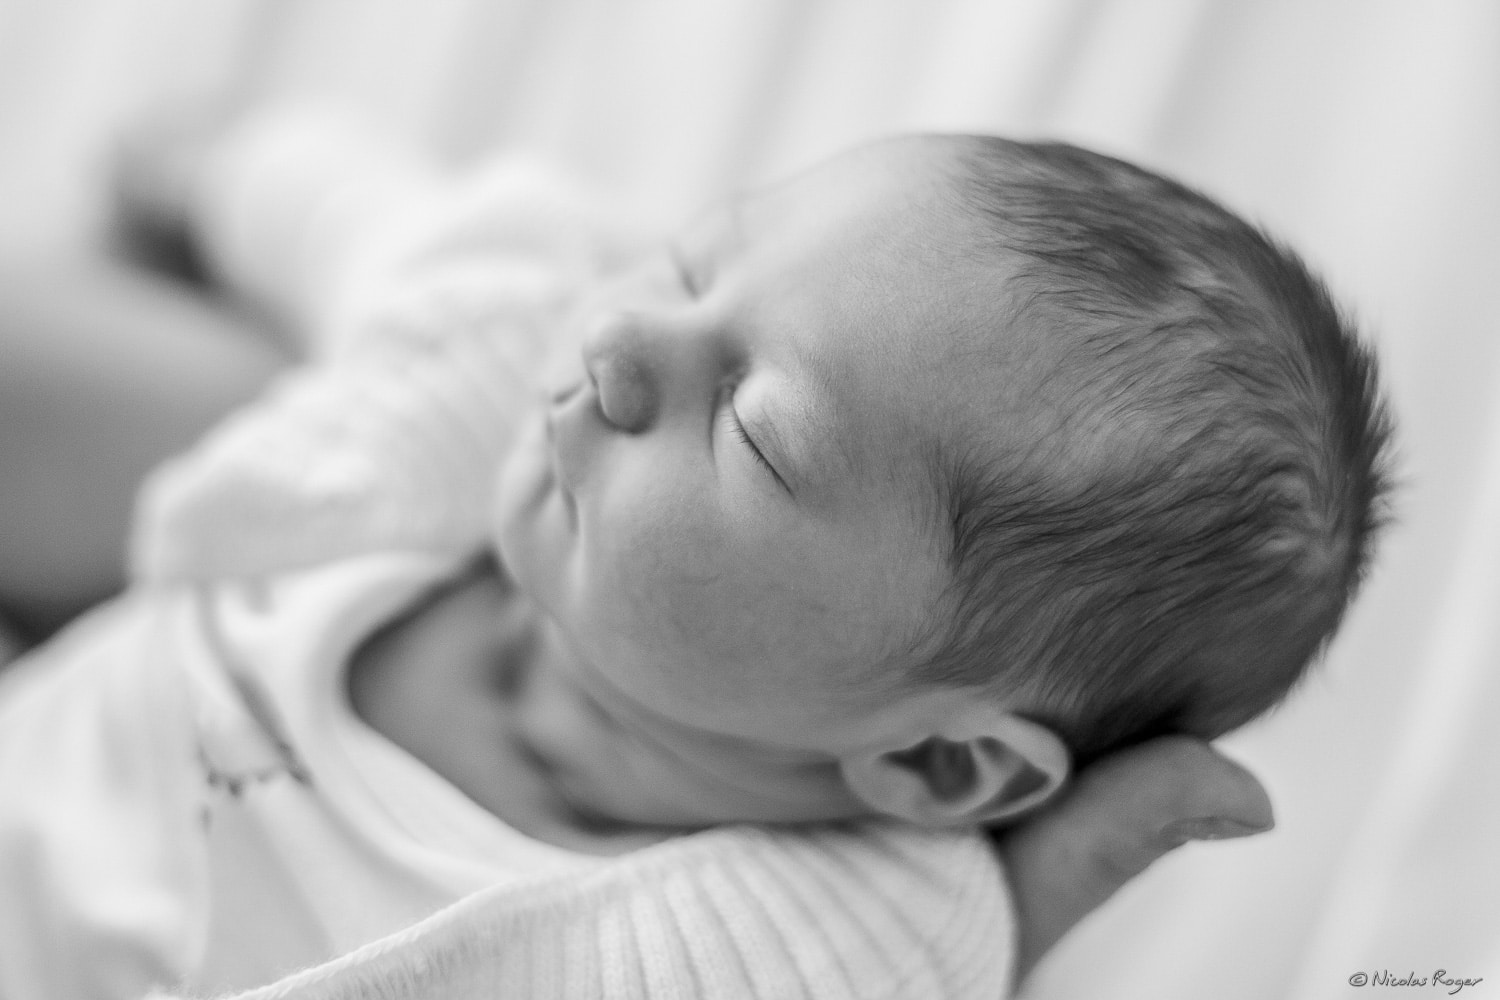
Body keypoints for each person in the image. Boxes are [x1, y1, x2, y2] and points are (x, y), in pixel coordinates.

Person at [0, 108, 1386, 998]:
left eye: (758, 431)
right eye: (685, 265)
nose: (617, 342)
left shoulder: (795, 949)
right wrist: (201, 172)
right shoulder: (477, 374)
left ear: (935, 762)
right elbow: (393, 226)